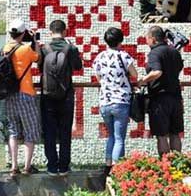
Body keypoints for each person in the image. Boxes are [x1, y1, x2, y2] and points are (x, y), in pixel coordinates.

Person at [39, 19, 82, 176]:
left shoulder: (44, 48)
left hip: (47, 95)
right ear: (65, 31)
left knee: (49, 131)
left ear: (50, 32)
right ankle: (64, 166)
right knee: (65, 131)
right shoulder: (70, 48)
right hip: (66, 95)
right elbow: (78, 67)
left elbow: (39, 69)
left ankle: (51, 166)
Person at [93, 27, 138, 173]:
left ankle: (107, 165)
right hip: (121, 101)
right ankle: (117, 169)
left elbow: (98, 78)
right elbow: (135, 75)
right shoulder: (124, 56)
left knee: (111, 135)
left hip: (104, 102)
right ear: (120, 40)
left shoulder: (100, 57)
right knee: (119, 138)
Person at [3, 19, 41, 176]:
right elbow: (38, 57)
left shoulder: (5, 48)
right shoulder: (26, 50)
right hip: (26, 94)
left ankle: (13, 166)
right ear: (23, 33)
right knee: (30, 130)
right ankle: (27, 166)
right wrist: (35, 41)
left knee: (13, 130)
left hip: (10, 94)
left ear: (11, 34)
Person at [138, 26, 183, 156]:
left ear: (152, 39)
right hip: (175, 97)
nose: (147, 41)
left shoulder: (154, 53)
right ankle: (177, 163)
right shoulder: (174, 51)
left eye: (147, 38)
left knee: (161, 135)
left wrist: (143, 80)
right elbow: (179, 68)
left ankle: (165, 166)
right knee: (175, 133)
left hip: (159, 98)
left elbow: (157, 72)